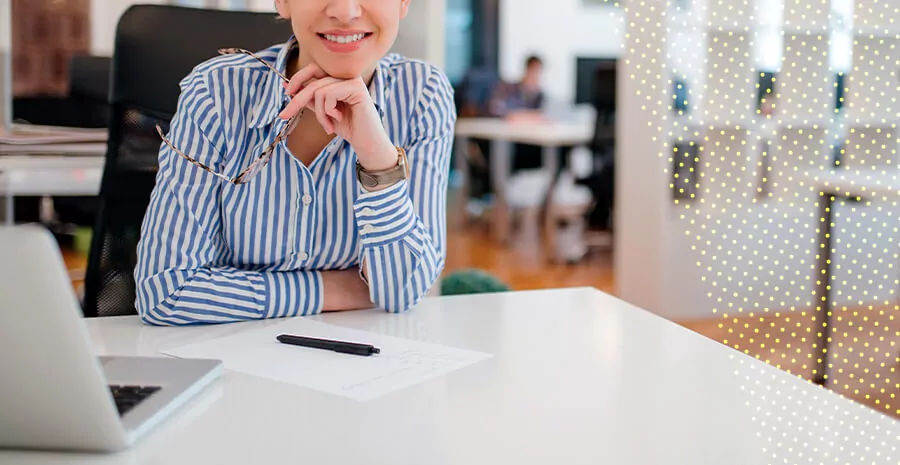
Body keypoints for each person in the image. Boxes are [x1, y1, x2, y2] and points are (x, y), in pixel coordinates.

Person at [134, 0, 456, 326]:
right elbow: (165, 292)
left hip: (360, 358)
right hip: (229, 356)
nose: (345, 12)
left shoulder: (422, 95)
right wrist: (337, 290)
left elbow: (403, 291)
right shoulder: (216, 92)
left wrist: (377, 157)